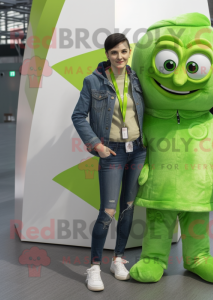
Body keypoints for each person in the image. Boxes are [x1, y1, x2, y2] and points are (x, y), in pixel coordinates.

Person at [71, 33, 146, 291]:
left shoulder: (138, 79)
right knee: (108, 211)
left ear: (129, 52)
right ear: (107, 55)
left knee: (128, 208)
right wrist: (96, 145)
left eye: (124, 51)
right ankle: (93, 267)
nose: (120, 57)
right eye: (114, 52)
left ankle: (118, 259)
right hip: (111, 152)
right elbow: (79, 116)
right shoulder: (93, 81)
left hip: (137, 151)